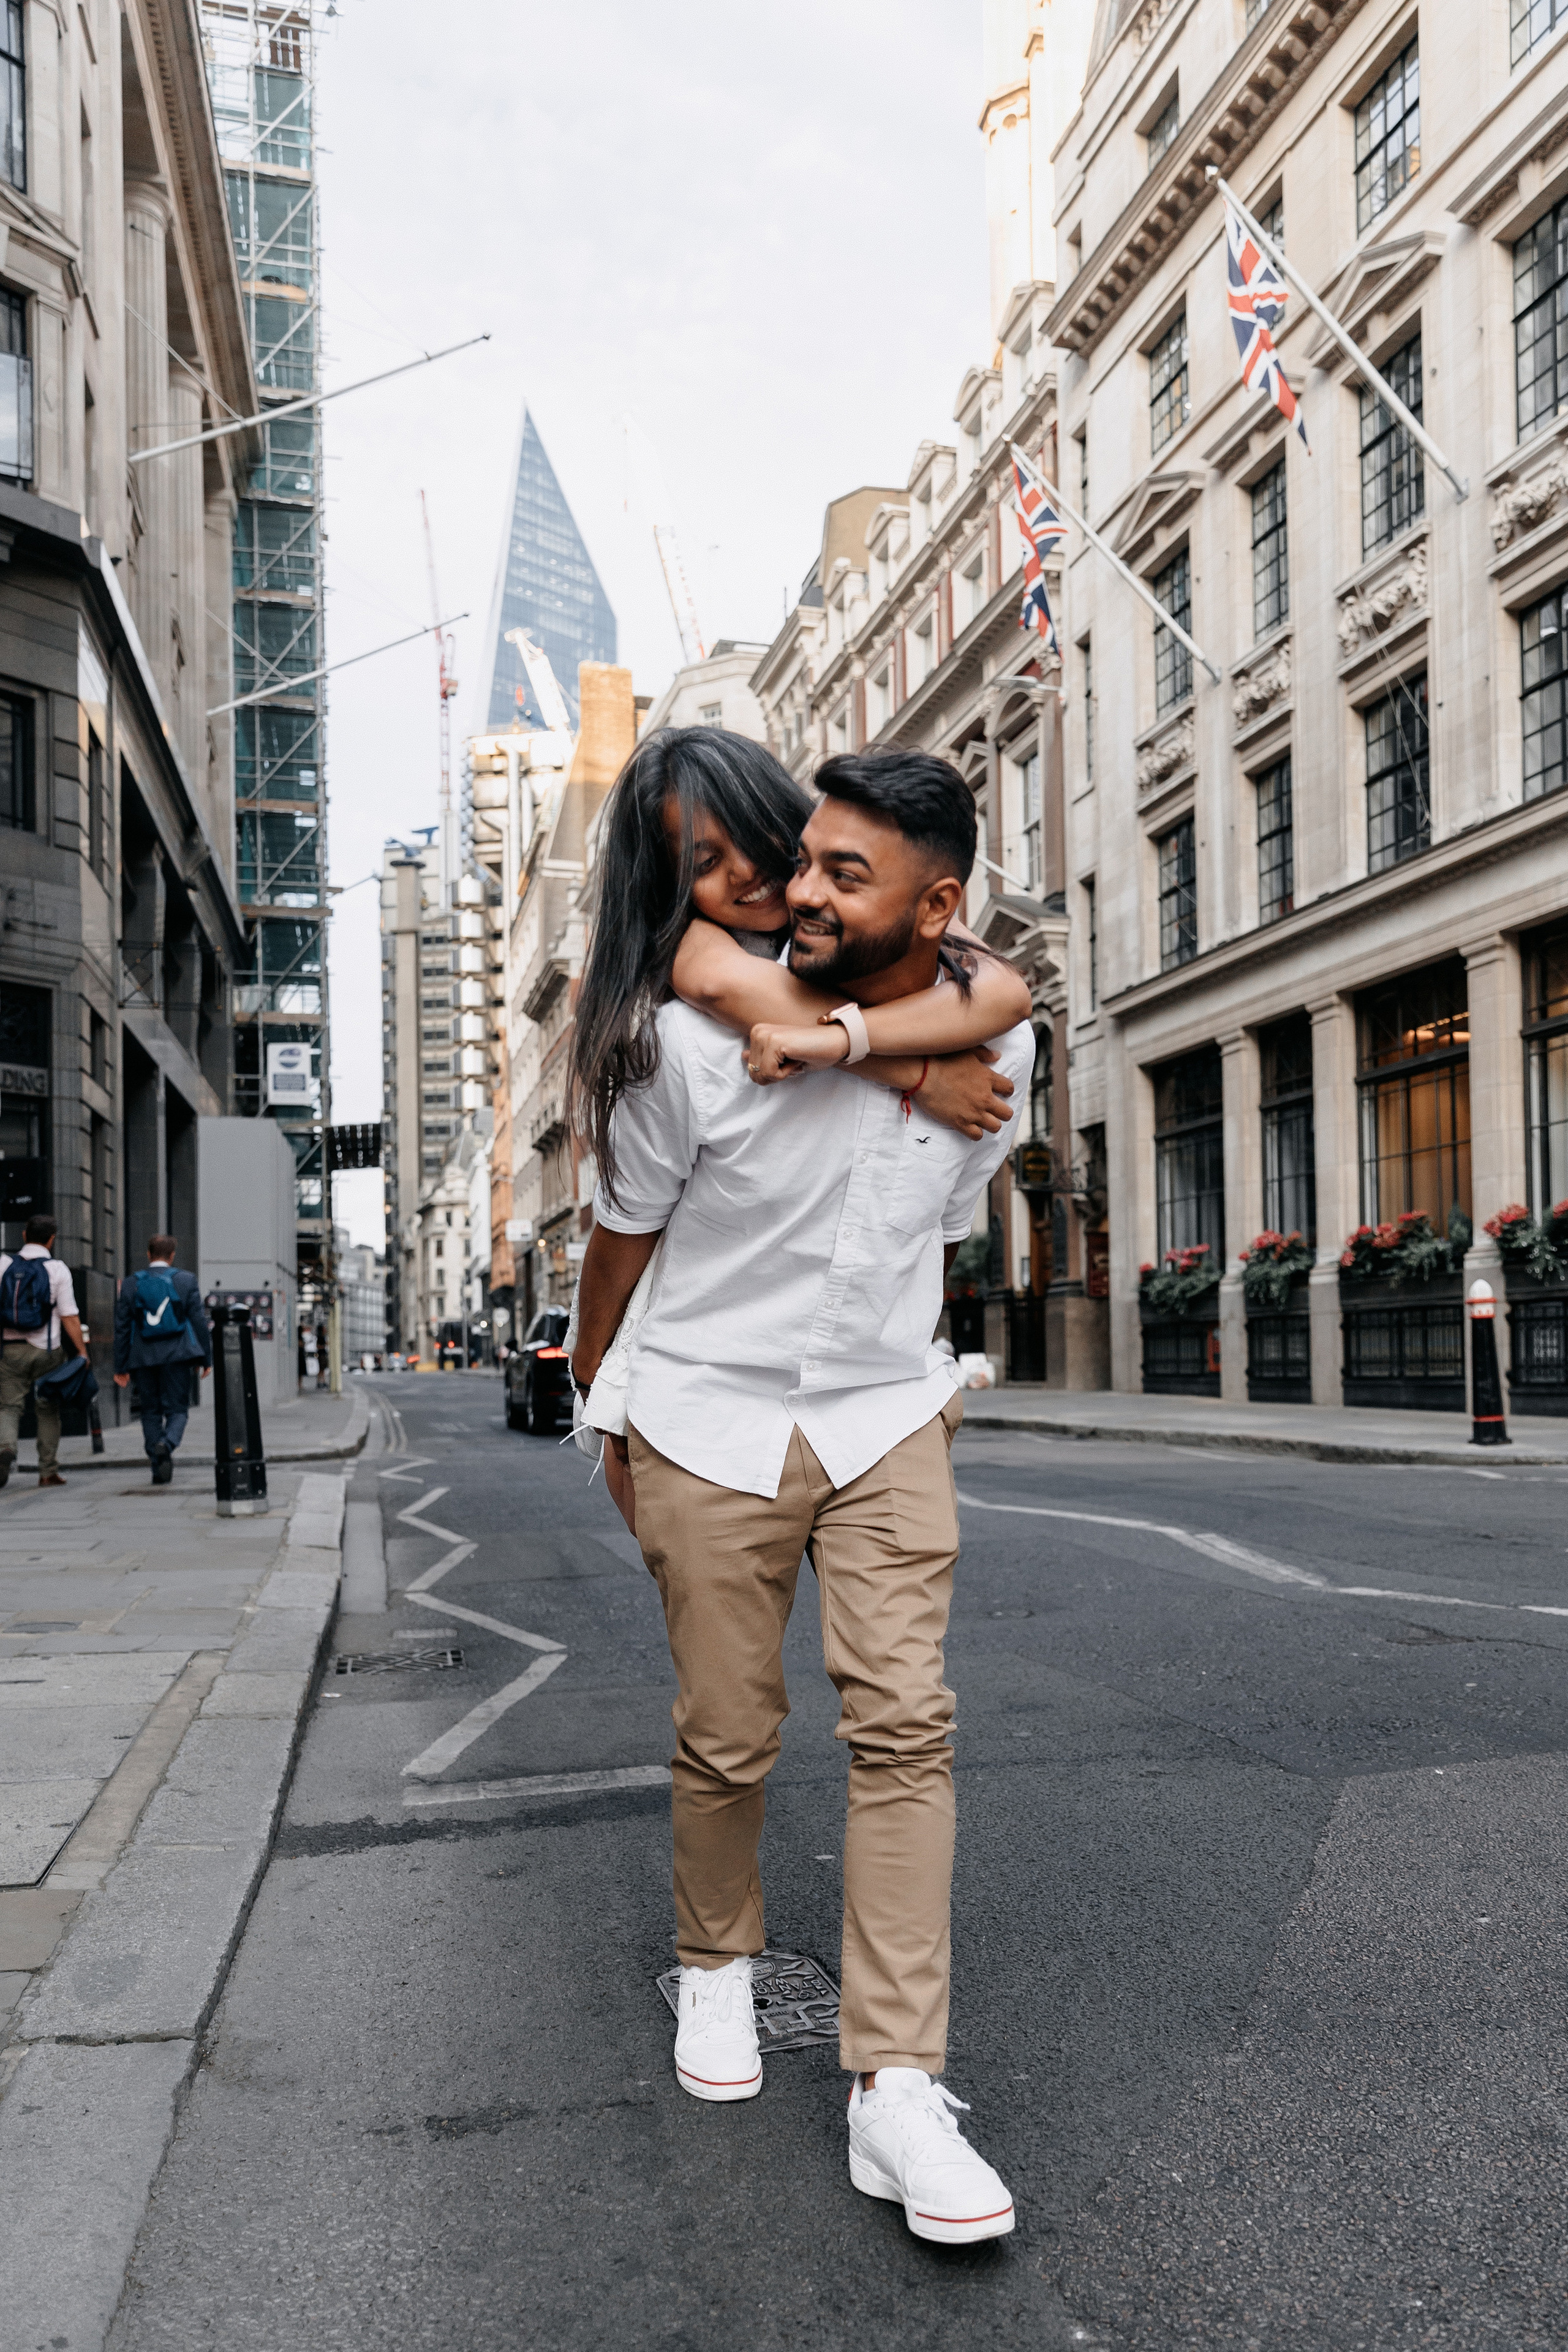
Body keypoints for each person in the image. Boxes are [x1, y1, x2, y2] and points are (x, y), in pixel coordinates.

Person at [570, 747, 1034, 2248]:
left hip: (888, 1404)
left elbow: (958, 1179)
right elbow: (623, 1233)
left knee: (907, 1723)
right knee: (727, 1724)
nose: (775, 887)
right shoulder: (682, 1031)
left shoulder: (982, 1032)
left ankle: (894, 2081)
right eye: (715, 863)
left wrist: (875, 1049)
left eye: (812, 859)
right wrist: (599, 1399)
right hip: (707, 1410)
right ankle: (715, 1956)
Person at [568, 723, 1028, 1526]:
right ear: (670, 887)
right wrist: (920, 1068)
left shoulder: (865, 911)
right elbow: (744, 1004)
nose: (747, 872)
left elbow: (1004, 996)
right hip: (701, 1388)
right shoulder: (703, 958)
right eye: (704, 864)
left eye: (756, 837)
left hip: (865, 1403)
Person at [113, 1235, 212, 1484]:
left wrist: (120, 1366)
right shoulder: (186, 1280)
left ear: (148, 1254)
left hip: (143, 1357)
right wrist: (206, 1358)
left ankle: (157, 1465)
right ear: (172, 1255)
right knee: (178, 1409)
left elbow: (122, 1328)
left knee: (150, 1411)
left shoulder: (131, 1283)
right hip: (177, 1356)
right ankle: (167, 1444)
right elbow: (199, 1322)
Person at [0, 1213, 86, 1489]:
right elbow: (69, 1315)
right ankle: (47, 1472)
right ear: (52, 1239)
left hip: (9, 1350)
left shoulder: (3, 1264)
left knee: (8, 1407)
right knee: (48, 1410)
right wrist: (82, 1352)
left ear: (24, 1236)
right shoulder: (57, 1269)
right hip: (48, 1350)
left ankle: (6, 1450)